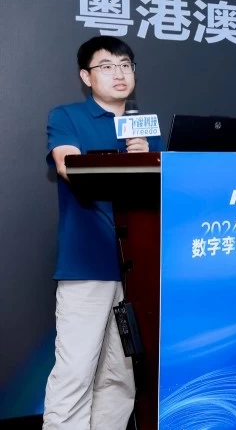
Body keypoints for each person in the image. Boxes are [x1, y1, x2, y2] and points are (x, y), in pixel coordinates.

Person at [43, 36, 162, 429]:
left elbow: (170, 190)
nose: (119, 73)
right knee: (75, 371)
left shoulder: (146, 129)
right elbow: (68, 166)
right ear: (86, 76)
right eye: (107, 66)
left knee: (121, 375)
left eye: (126, 65)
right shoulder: (67, 117)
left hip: (140, 270)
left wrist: (149, 157)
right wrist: (130, 164)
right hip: (88, 264)